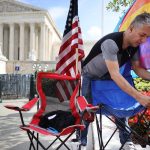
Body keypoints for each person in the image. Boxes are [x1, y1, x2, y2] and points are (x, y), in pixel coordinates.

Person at [80, 12, 150, 150]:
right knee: (86, 110)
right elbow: (116, 75)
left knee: (121, 103)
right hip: (91, 75)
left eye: (147, 37)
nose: (143, 41)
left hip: (108, 75)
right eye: (142, 35)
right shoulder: (111, 43)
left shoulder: (134, 46)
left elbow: (138, 69)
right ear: (130, 29)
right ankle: (81, 141)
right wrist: (139, 97)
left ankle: (126, 142)